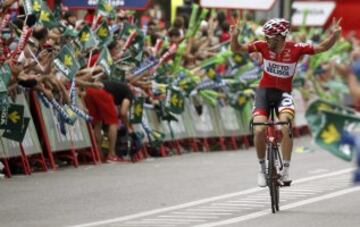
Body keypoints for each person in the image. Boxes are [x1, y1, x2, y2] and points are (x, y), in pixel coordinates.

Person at [230, 18, 342, 187]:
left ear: (281, 36)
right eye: (266, 37)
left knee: (286, 126)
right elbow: (237, 49)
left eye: (270, 37)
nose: (267, 40)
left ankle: (286, 171)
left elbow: (322, 47)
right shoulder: (262, 46)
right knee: (259, 130)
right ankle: (262, 169)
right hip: (264, 94)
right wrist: (234, 37)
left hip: (284, 95)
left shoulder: (295, 48)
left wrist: (333, 36)